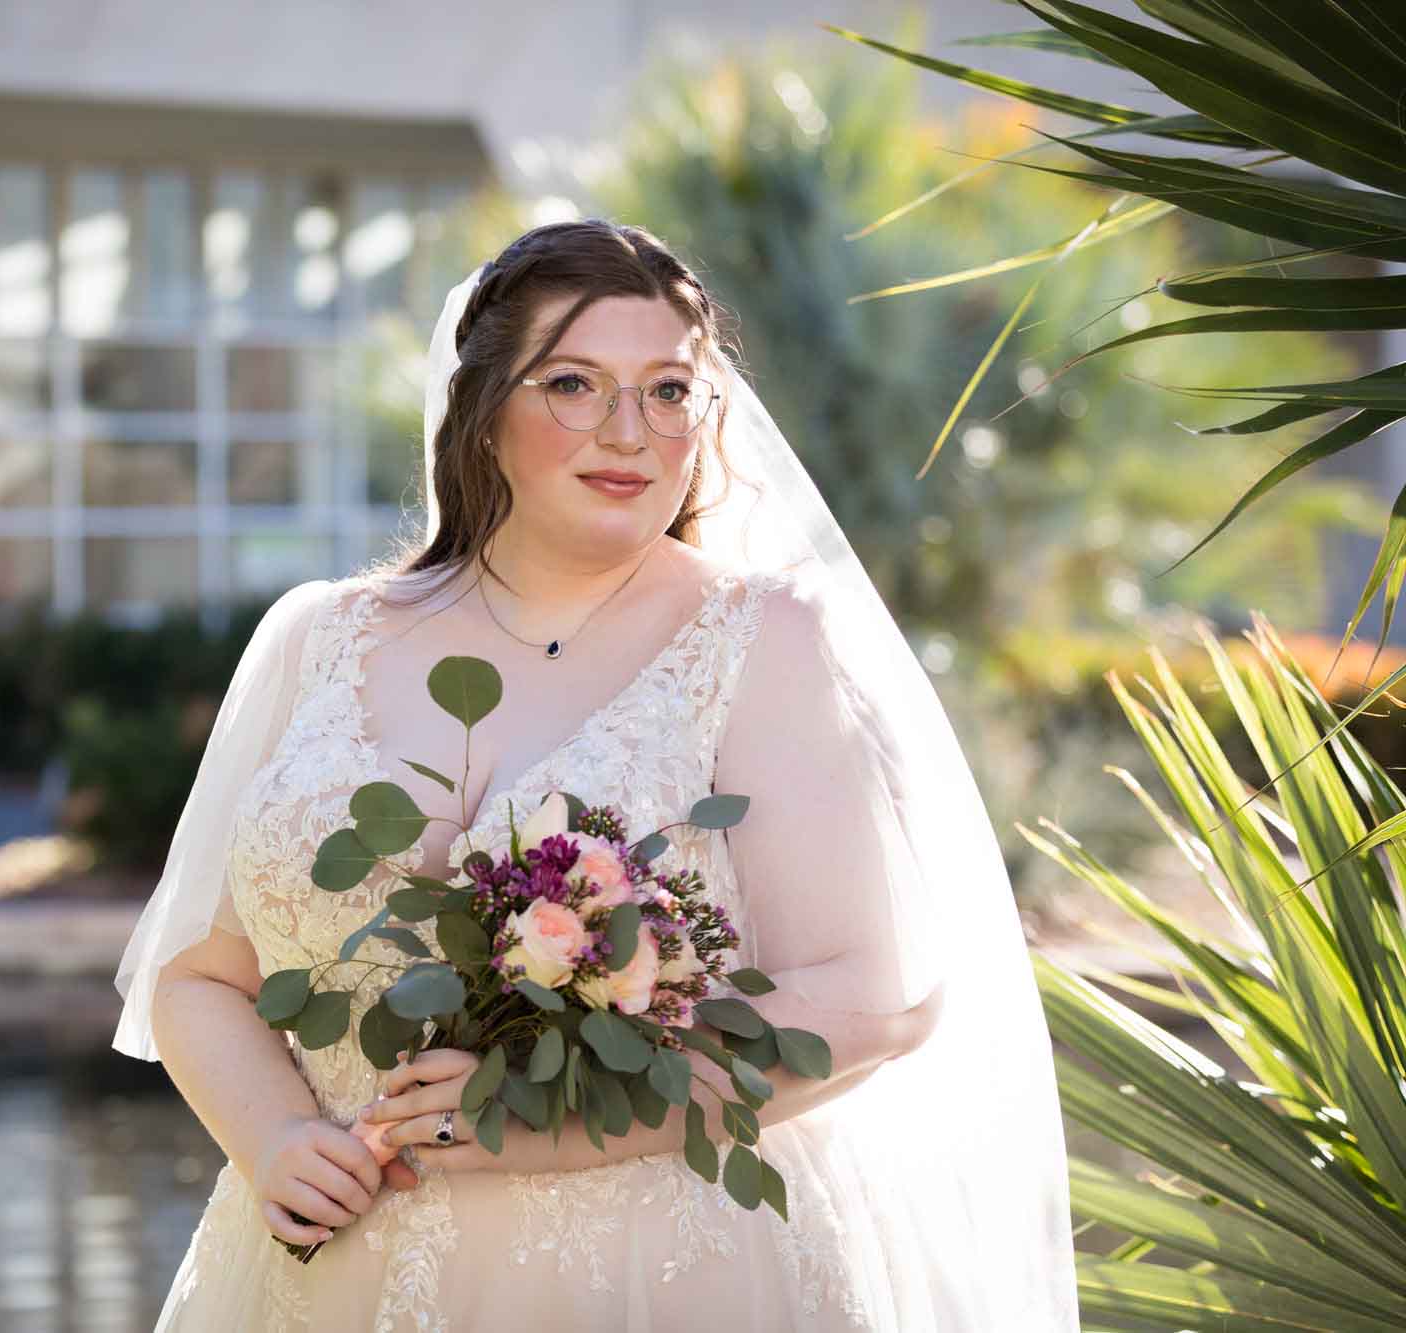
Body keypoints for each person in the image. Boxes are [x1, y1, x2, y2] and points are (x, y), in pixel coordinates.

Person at [112, 218, 1078, 1329]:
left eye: (667, 391)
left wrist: (549, 1127)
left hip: (660, 1270)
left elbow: (873, 999)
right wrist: (275, 1136)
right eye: (573, 384)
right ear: (481, 412)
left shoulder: (760, 642)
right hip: (328, 1269)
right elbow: (199, 978)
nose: (628, 430)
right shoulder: (318, 637)